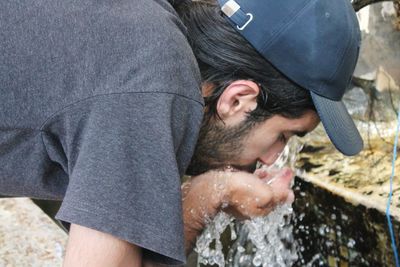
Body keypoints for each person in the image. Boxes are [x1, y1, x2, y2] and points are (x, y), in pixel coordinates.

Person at [0, 0, 362, 266]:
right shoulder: (153, 83)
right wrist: (213, 192)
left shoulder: (142, 36)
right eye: (283, 136)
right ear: (238, 100)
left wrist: (214, 192)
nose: (272, 158)